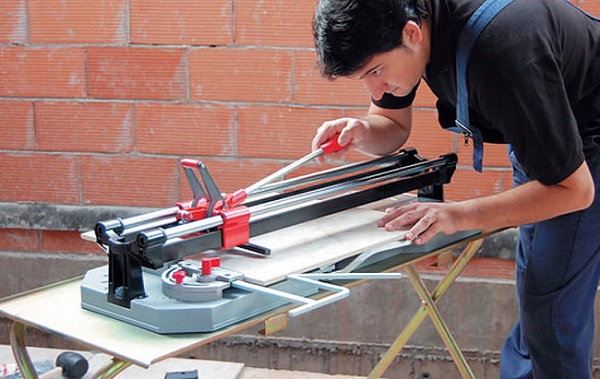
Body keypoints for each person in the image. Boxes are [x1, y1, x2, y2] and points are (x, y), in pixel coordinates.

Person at [311, 0, 600, 377]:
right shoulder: (407, 22)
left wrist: (459, 214)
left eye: (377, 71)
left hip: (584, 145)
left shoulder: (502, 50)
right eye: (364, 77)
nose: (376, 88)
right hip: (545, 132)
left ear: (411, 34)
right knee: (538, 292)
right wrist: (362, 131)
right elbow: (390, 123)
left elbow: (574, 190)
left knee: (551, 307)